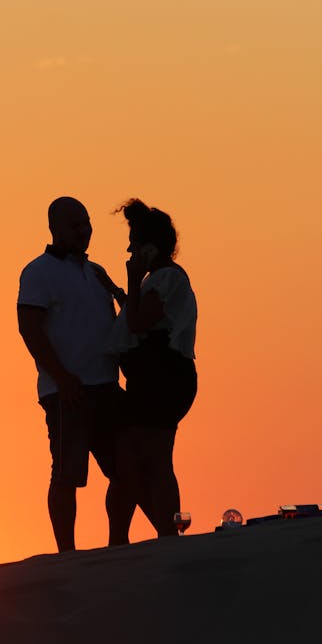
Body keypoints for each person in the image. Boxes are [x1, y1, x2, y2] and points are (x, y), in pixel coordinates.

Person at [17, 196, 135, 551]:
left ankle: (119, 542)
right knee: (67, 473)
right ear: (54, 229)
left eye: (86, 223)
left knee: (125, 468)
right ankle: (66, 552)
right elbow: (30, 329)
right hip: (68, 390)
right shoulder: (37, 272)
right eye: (75, 225)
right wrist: (63, 378)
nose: (83, 231)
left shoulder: (95, 271)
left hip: (107, 386)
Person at [110, 198, 198, 537]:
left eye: (134, 242)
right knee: (135, 459)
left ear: (149, 246)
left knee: (154, 458)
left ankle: (163, 533)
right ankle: (134, 535)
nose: (130, 250)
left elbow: (137, 323)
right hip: (155, 378)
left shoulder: (165, 279)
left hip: (162, 378)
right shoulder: (161, 280)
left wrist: (131, 281)